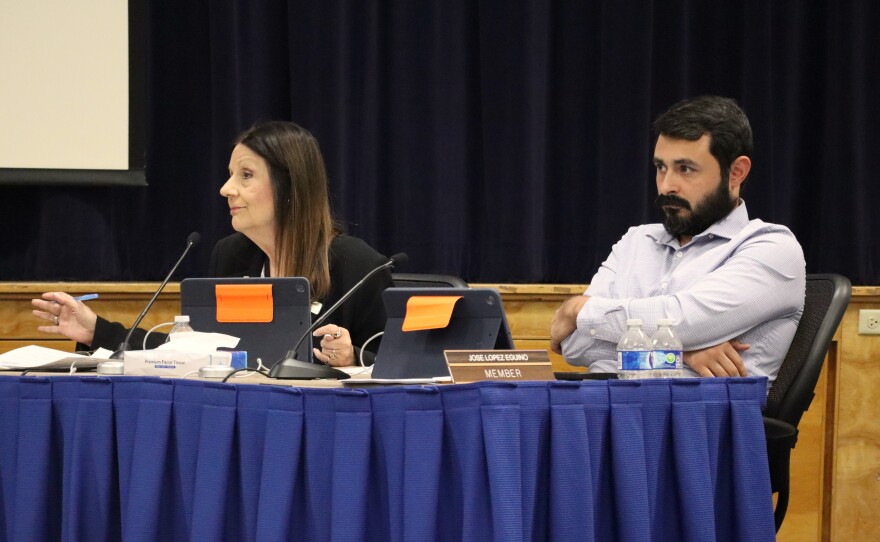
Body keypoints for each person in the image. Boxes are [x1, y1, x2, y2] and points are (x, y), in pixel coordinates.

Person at [32, 121, 393, 367]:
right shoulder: (232, 256)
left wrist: (353, 356)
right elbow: (191, 352)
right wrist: (95, 329)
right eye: (230, 174)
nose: (226, 189)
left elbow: (403, 370)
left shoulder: (358, 266)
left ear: (290, 187)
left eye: (246, 175)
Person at [550, 96, 805, 382]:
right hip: (606, 404)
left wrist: (577, 309)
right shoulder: (636, 241)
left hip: (701, 410)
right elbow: (574, 344)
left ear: (736, 173)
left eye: (685, 169)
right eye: (661, 167)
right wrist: (680, 354)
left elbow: (686, 321)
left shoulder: (772, 248)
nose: (667, 185)